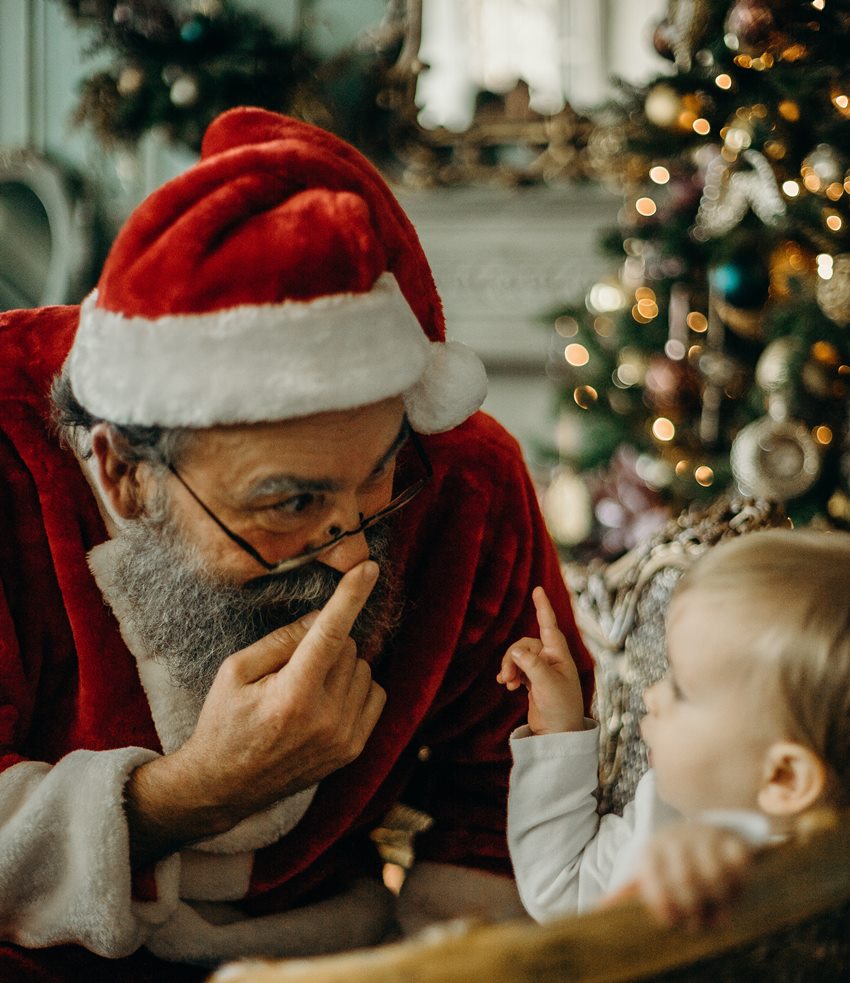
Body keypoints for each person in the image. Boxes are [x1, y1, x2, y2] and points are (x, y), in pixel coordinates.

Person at [0, 108, 595, 980]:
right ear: (125, 472)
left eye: (381, 478)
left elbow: (503, 795)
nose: (354, 558)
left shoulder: (463, 474)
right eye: (289, 502)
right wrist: (192, 794)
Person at [500, 528, 850, 928]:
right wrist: (557, 731)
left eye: (682, 690)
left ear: (783, 776)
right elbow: (564, 890)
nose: (651, 696)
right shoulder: (666, 802)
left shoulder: (815, 899)